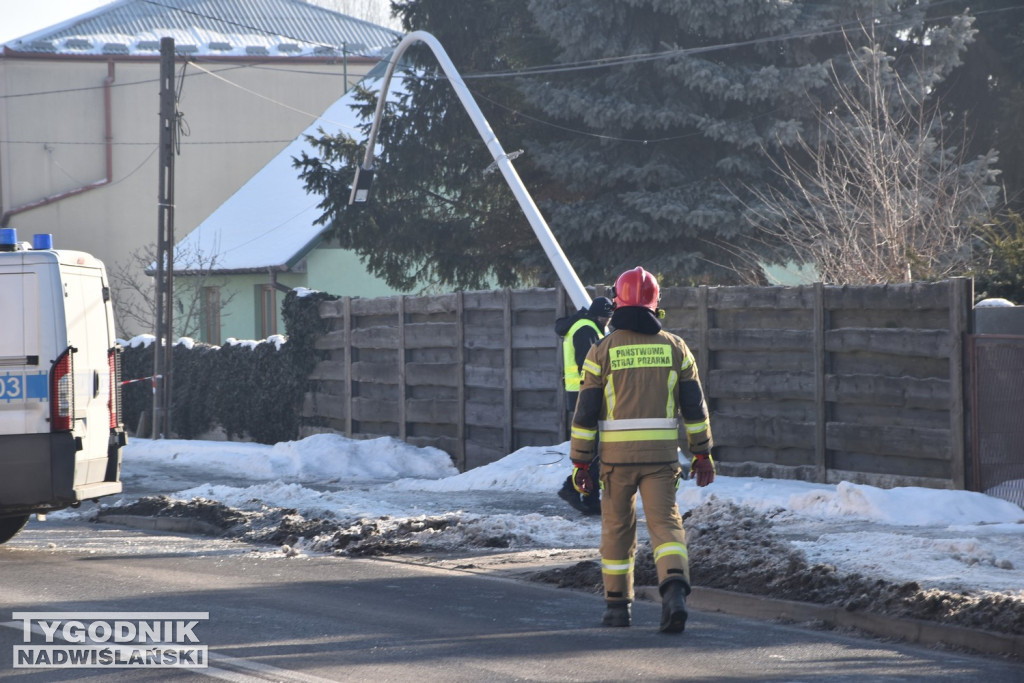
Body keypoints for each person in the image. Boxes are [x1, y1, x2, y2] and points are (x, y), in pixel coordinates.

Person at [568, 267, 714, 633]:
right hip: (662, 459)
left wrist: (580, 463)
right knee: (666, 524)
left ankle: (617, 608)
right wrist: (702, 452)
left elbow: (585, 413)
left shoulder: (601, 351)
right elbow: (695, 409)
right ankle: (675, 588)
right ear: (655, 303)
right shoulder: (675, 347)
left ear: (617, 302)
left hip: (616, 462)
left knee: (617, 527)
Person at [555, 296, 614, 515]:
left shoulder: (586, 326)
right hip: (586, 393)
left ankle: (590, 498)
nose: (608, 323)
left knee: (594, 446)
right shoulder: (586, 329)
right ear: (601, 316)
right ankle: (573, 489)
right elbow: (588, 366)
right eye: (607, 319)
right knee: (595, 447)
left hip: (580, 392)